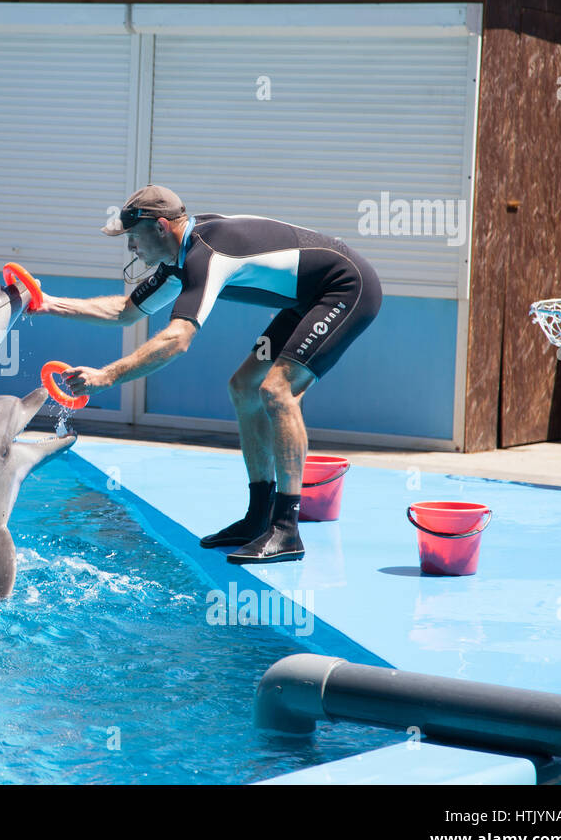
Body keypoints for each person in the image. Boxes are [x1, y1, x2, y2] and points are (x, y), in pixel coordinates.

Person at [36, 185, 382, 564]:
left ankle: (286, 529)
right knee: (244, 386)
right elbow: (125, 311)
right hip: (306, 300)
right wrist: (49, 303)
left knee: (278, 390)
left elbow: (178, 339)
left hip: (345, 290)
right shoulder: (178, 260)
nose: (131, 247)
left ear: (161, 227)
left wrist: (107, 376)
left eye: (133, 237)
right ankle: (257, 518)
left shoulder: (207, 254)